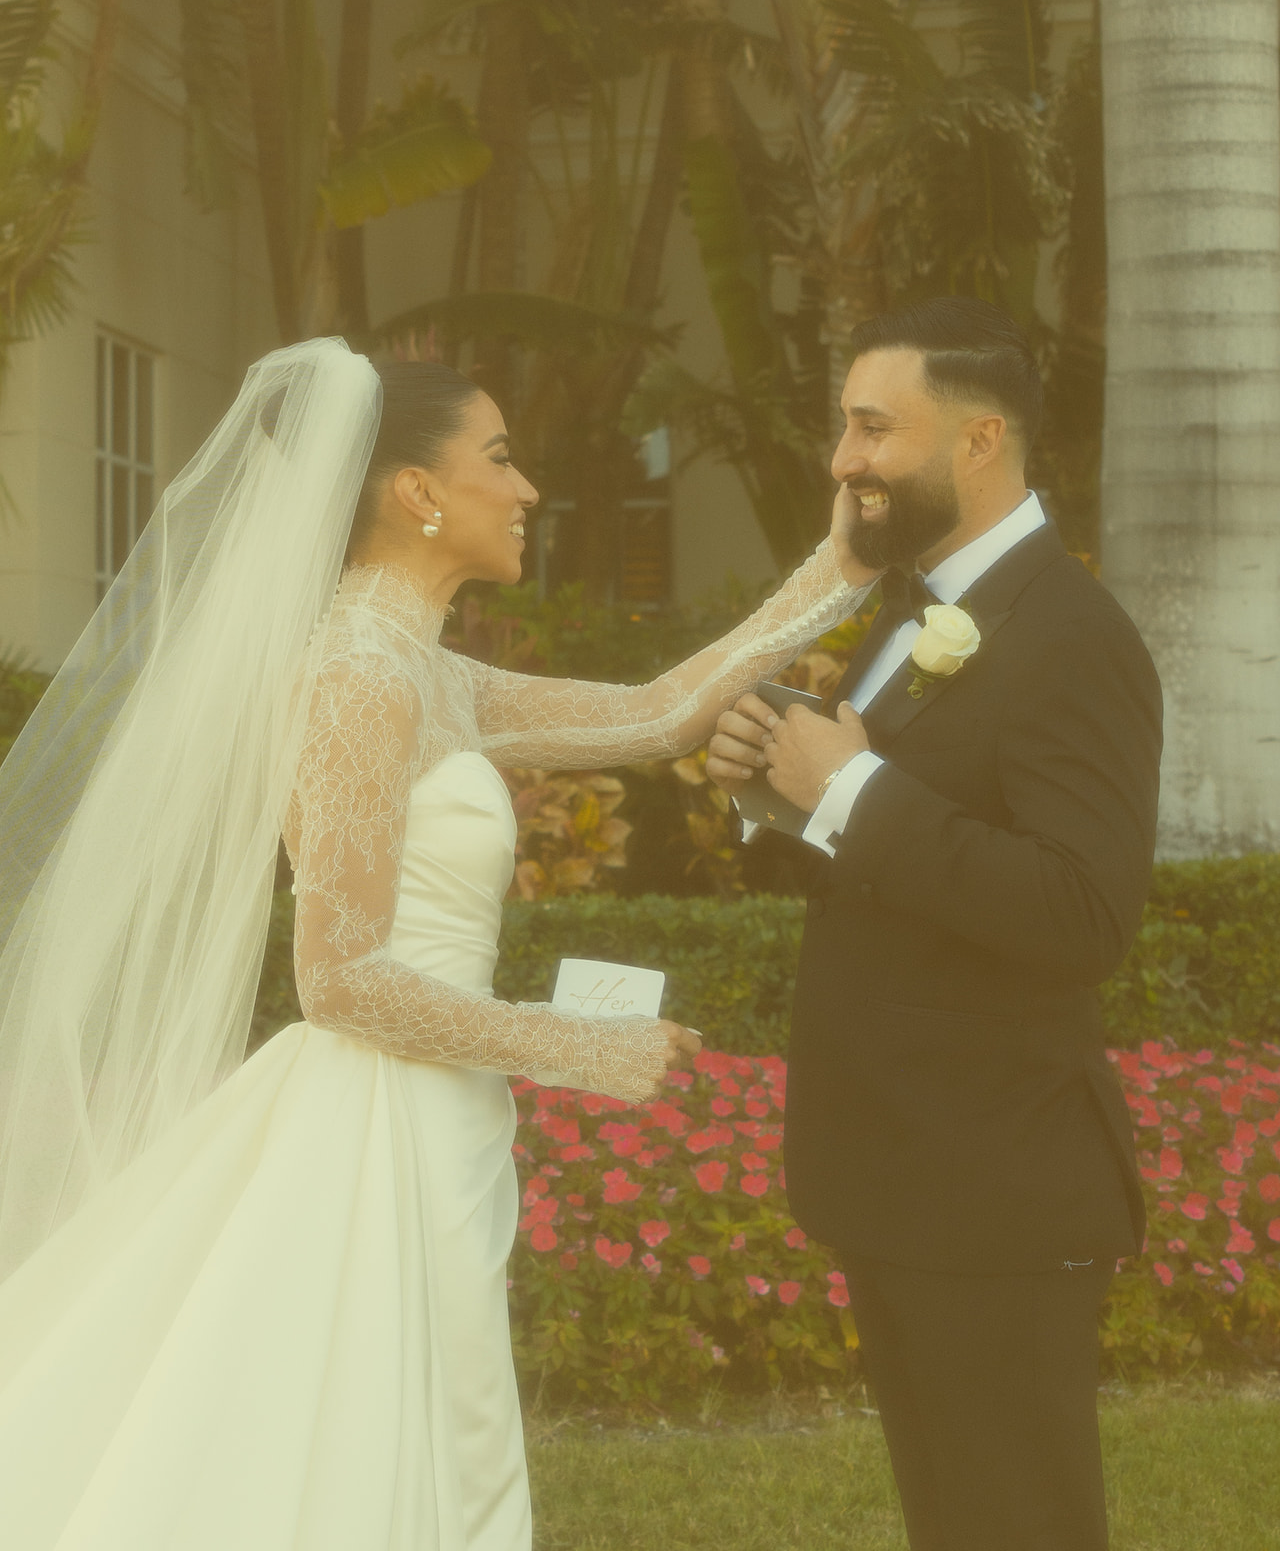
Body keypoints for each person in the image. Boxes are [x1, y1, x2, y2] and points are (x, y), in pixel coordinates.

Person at [0, 339, 876, 1550]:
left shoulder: (424, 668)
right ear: (417, 491)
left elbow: (655, 711)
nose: (526, 490)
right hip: (370, 1124)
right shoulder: (358, 676)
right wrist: (577, 1045)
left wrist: (843, 566)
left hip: (436, 1114)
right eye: (501, 459)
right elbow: (336, 978)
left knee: (430, 1434)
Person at [708, 298, 1161, 1551]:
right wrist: (779, 793)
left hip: (996, 1190)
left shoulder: (1072, 634)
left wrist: (846, 787)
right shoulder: (915, 614)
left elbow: (1082, 911)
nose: (842, 460)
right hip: (910, 1177)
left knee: (1016, 1525)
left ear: (977, 440)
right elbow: (891, 861)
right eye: (843, 429)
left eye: (869, 429)